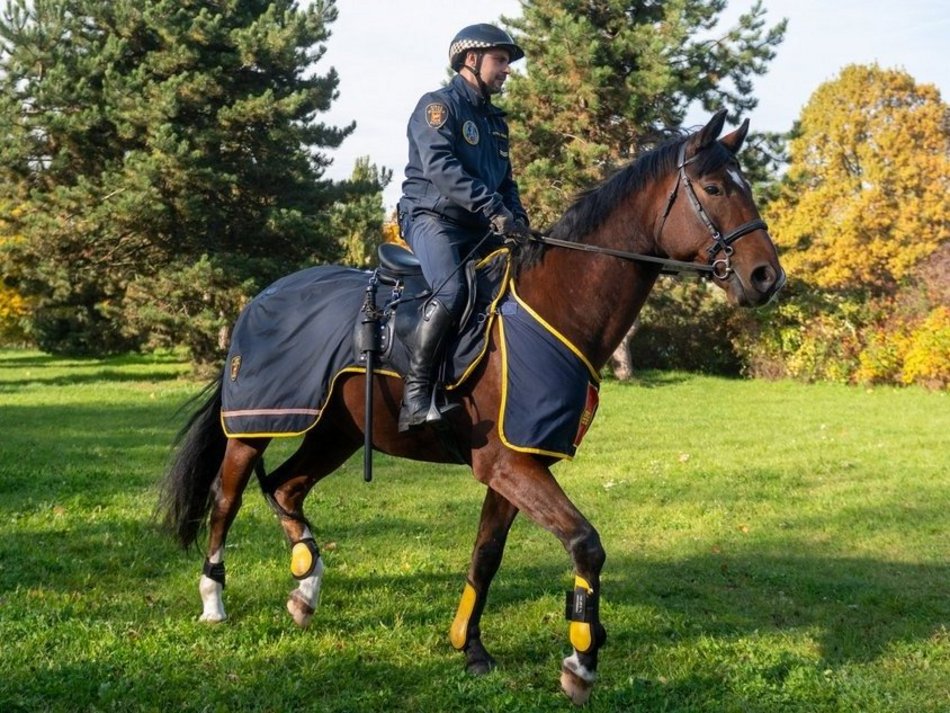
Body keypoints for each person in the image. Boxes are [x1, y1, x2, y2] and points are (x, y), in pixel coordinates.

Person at [397, 23, 531, 432]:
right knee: (452, 291)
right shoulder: (438, 107)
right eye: (501, 60)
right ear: (470, 60)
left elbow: (506, 181)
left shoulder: (494, 121)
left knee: (516, 291)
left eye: (507, 62)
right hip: (431, 217)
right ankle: (416, 397)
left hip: (479, 225)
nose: (507, 69)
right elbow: (442, 169)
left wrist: (519, 219)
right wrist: (493, 208)